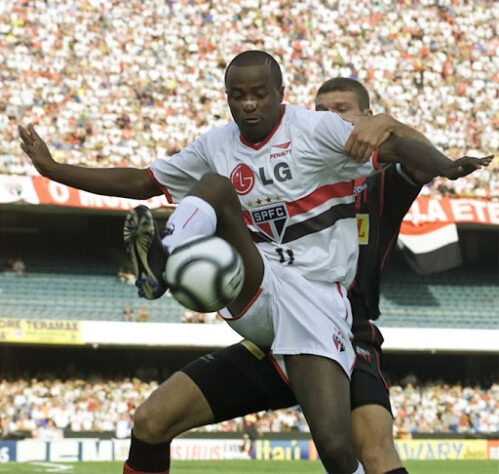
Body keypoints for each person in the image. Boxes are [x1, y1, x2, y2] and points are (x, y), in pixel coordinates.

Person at [19, 50, 491, 474]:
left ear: (281, 95)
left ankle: (183, 257)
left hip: (326, 311)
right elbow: (144, 180)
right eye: (237, 95)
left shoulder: (332, 143)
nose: (247, 104)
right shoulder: (219, 145)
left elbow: (406, 151)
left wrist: (441, 161)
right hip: (261, 284)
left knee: (341, 451)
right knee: (151, 418)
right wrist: (54, 169)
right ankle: (167, 253)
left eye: (258, 94)